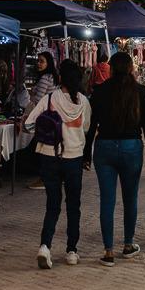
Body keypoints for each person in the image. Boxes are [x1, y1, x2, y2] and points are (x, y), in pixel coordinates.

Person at [84, 52, 145, 266]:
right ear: (131, 68)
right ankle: (127, 243)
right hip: (131, 147)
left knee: (107, 200)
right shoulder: (140, 93)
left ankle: (108, 251)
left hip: (104, 146)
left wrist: (86, 154)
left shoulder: (99, 92)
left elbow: (91, 127)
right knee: (130, 198)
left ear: (112, 69)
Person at [26, 59, 91, 269]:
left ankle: (45, 246)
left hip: (49, 156)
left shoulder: (49, 99)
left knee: (52, 204)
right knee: (74, 205)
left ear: (60, 78)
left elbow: (29, 124)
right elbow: (87, 129)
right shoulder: (83, 102)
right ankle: (72, 251)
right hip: (73, 157)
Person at [24, 51, 59, 190]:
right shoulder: (53, 77)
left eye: (42, 61)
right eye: (38, 61)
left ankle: (43, 178)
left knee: (41, 148)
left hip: (43, 117)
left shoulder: (45, 78)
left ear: (48, 63)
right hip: (51, 116)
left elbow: (39, 101)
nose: (38, 63)